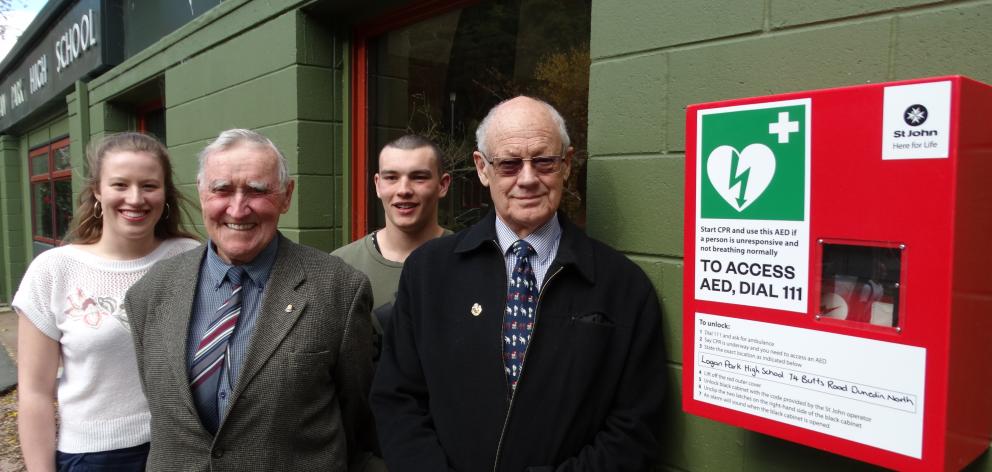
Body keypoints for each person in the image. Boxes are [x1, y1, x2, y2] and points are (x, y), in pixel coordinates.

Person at [371, 96, 667, 471]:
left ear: (567, 165)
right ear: (482, 169)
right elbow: (398, 400)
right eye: (509, 164)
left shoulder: (622, 287)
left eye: (544, 161)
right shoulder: (428, 273)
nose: (527, 179)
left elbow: (634, 428)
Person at [124, 129, 380, 470]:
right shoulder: (151, 292)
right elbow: (163, 413)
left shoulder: (339, 291)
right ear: (201, 193)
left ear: (286, 196)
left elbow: (358, 421)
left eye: (257, 191)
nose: (238, 208)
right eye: (222, 190)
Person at [14, 132, 200, 471]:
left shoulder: (191, 258)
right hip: (93, 457)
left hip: (182, 448)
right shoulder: (54, 271)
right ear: (97, 191)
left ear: (165, 193)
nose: (135, 198)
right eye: (119, 184)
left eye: (148, 185)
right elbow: (35, 394)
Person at [332, 134, 451, 337]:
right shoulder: (341, 267)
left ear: (443, 185)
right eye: (391, 178)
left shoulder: (469, 260)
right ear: (378, 185)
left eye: (418, 177)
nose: (403, 190)